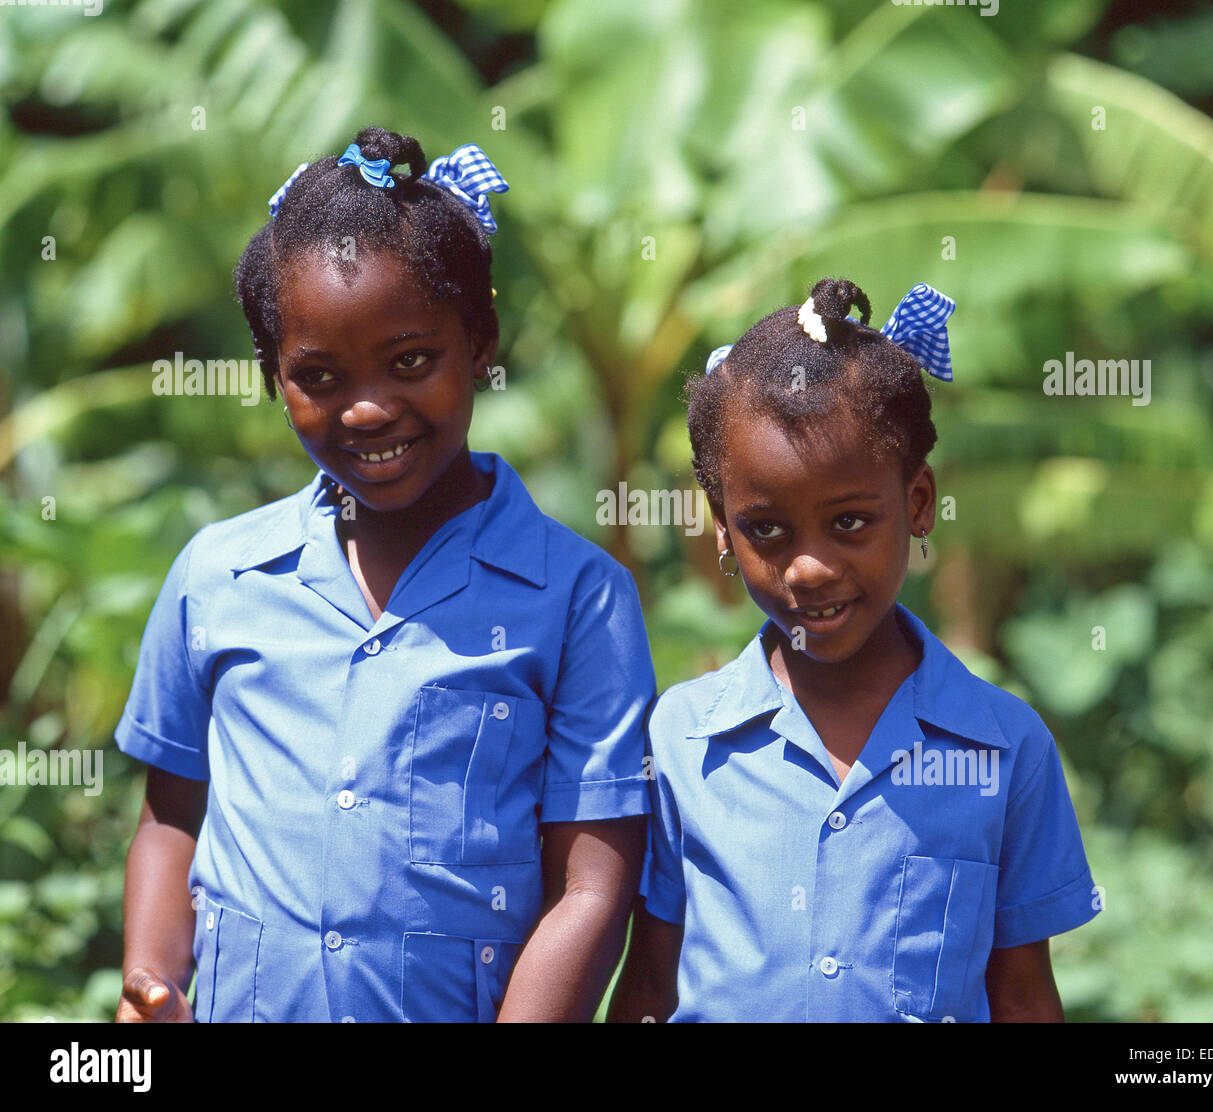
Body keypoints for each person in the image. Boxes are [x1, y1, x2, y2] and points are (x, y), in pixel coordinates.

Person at [113, 127, 655, 1022]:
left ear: (481, 340)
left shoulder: (579, 600)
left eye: (411, 362)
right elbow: (173, 817)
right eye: (318, 376)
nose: (367, 408)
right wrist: (150, 979)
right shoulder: (218, 577)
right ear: (273, 377)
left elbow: (592, 886)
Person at [609, 277, 1100, 1022]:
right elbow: (649, 984)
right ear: (721, 528)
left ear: (918, 503)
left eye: (849, 523)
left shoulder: (1006, 750)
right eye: (766, 530)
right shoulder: (679, 741)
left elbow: (1024, 995)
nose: (809, 567)